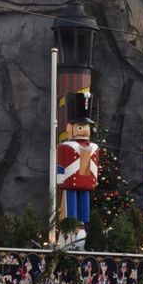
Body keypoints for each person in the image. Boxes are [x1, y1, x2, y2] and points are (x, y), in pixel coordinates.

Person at [57, 92, 98, 224]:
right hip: (71, 182)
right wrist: (60, 177)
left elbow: (94, 164)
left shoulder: (93, 147)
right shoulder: (66, 146)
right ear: (70, 128)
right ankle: (70, 225)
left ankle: (83, 225)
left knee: (85, 205)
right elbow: (61, 164)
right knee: (71, 205)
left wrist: (94, 179)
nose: (85, 131)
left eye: (87, 127)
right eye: (81, 127)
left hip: (86, 182)